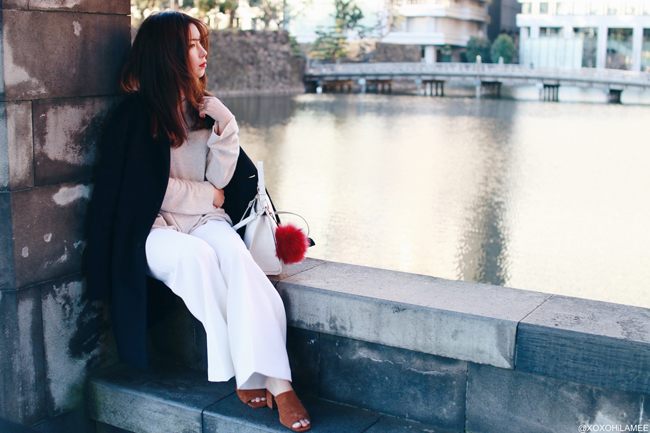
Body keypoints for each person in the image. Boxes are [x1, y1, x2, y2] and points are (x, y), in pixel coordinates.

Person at [85, 11, 310, 432]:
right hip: (151, 230)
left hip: (205, 220)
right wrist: (209, 196)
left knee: (238, 261)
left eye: (201, 42)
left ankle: (279, 383)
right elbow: (147, 191)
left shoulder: (202, 109)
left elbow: (220, 180)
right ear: (167, 54)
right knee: (197, 258)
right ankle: (251, 371)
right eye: (191, 45)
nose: (203, 52)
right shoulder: (134, 116)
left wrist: (227, 125)